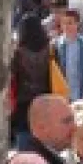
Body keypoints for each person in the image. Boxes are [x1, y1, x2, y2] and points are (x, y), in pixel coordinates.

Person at [9, 14, 56, 147]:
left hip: (23, 101)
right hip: (45, 99)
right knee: (43, 138)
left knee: (23, 137)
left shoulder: (18, 52)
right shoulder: (50, 49)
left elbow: (13, 76)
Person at [52, 8, 83, 101]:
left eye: (70, 23)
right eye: (64, 23)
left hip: (82, 95)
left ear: (77, 24)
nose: (66, 26)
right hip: (61, 96)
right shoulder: (55, 45)